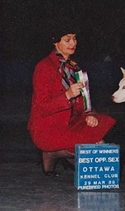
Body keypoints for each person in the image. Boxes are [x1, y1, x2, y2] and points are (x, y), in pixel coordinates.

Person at [27, 17, 116, 176]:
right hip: (46, 128)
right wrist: (67, 95)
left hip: (70, 123)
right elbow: (42, 107)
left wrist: (90, 114)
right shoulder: (44, 67)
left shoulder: (75, 67)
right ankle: (53, 153)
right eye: (67, 39)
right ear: (56, 43)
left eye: (74, 38)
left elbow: (84, 102)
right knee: (95, 144)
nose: (73, 43)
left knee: (100, 132)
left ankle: (58, 154)